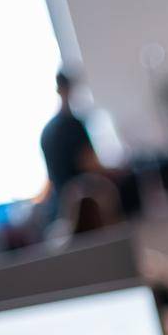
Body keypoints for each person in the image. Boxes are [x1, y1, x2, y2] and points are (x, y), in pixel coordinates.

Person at [40, 69, 131, 224]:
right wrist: (119, 171)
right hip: (85, 203)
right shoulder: (73, 125)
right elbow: (89, 164)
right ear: (69, 89)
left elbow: (50, 178)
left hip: (60, 207)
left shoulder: (47, 131)